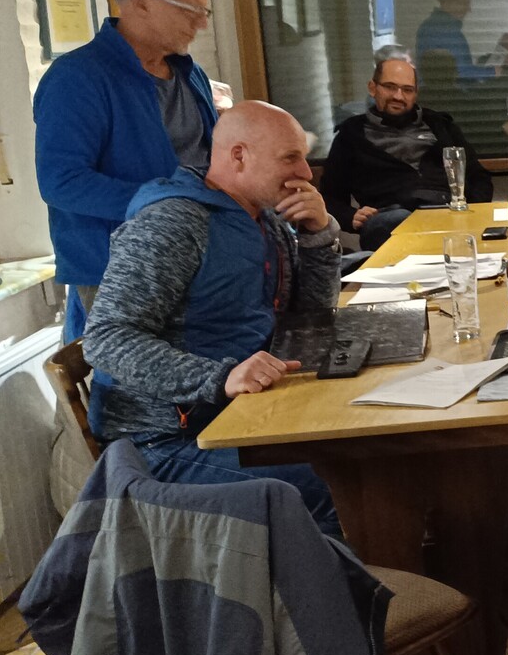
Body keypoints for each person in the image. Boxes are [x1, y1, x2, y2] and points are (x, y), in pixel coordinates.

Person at [83, 101, 342, 533]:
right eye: (290, 158)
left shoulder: (266, 218)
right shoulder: (174, 222)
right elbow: (106, 337)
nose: (305, 172)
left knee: (358, 451)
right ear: (239, 155)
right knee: (331, 483)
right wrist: (220, 377)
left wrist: (318, 235)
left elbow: (310, 317)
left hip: (240, 415)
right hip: (164, 442)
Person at [35, 0, 219, 342]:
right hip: (120, 268)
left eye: (205, 12)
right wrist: (166, 202)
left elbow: (209, 159)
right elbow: (62, 182)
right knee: (137, 376)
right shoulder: (78, 77)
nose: (202, 23)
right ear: (140, 3)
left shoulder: (190, 73)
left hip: (199, 255)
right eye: (190, 10)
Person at [319, 47, 493, 251]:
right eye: (390, 87)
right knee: (396, 219)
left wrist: (470, 210)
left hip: (446, 212)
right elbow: (329, 196)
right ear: (372, 88)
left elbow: (479, 177)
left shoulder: (441, 126)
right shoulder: (352, 135)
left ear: (415, 94)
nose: (399, 96)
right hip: (390, 220)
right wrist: (350, 216)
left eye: (407, 90)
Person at [414, 0, 483, 83]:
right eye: (465, 4)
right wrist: (493, 72)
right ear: (449, 4)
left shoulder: (429, 24)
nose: (469, 9)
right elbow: (461, 72)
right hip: (446, 89)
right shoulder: (446, 30)